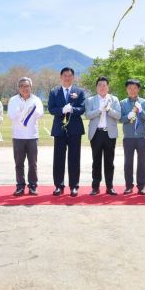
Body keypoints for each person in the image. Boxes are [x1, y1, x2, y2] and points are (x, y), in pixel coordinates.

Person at [48, 67, 86, 197]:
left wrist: (72, 109)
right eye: (65, 75)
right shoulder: (54, 92)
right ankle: (59, 186)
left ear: (73, 77)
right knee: (58, 158)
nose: (67, 77)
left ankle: (74, 186)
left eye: (70, 75)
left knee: (74, 158)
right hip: (59, 129)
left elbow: (82, 108)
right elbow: (51, 109)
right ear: (61, 77)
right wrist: (62, 110)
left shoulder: (79, 91)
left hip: (75, 129)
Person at [84, 76, 122, 196]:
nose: (102, 87)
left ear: (108, 87)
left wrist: (109, 109)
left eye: (104, 85)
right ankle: (95, 187)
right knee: (96, 161)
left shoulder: (114, 99)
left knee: (109, 162)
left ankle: (109, 187)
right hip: (96, 133)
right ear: (96, 87)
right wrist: (99, 110)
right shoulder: (90, 100)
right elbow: (87, 115)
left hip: (109, 134)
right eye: (100, 85)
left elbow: (119, 116)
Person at [7, 77, 44, 196]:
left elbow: (40, 114)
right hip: (18, 136)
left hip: (32, 135)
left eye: (27, 86)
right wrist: (20, 111)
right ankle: (20, 186)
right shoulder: (13, 100)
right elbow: (11, 116)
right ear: (19, 88)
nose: (25, 88)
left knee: (33, 163)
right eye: (22, 86)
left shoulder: (36, 100)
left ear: (31, 87)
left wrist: (32, 111)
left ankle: (33, 186)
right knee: (19, 163)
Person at [119, 79, 145, 195]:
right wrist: (128, 116)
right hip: (128, 137)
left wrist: (140, 110)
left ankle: (141, 186)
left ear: (138, 89)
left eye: (135, 88)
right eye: (129, 88)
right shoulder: (122, 103)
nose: (132, 90)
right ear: (126, 90)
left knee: (142, 163)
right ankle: (128, 186)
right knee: (128, 163)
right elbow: (120, 118)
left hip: (141, 137)